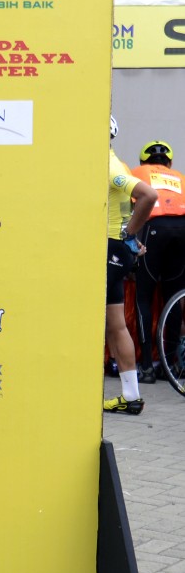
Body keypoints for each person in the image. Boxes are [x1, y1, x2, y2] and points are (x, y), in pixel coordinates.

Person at [105, 116, 155, 414]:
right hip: (117, 249)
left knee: (98, 322)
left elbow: (149, 195)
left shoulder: (109, 166)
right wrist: (130, 238)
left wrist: (129, 234)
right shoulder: (118, 163)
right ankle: (131, 396)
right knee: (115, 325)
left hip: (110, 248)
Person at [130, 138, 185, 382]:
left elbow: (127, 207)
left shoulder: (137, 172)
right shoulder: (180, 177)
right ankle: (170, 365)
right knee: (173, 297)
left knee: (143, 296)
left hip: (154, 228)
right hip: (182, 229)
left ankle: (146, 367)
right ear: (169, 163)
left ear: (144, 162)